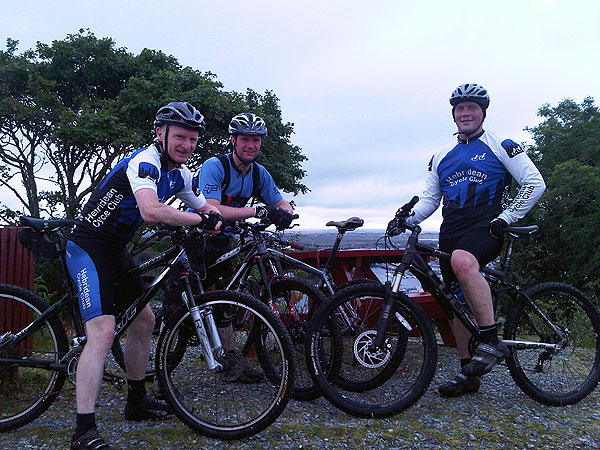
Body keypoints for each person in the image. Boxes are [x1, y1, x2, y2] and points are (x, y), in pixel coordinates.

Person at [66, 102, 222, 450]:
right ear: (160, 133)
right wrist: (201, 221)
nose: (187, 145)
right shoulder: (145, 162)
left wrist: (230, 219)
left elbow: (203, 207)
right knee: (103, 333)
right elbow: (151, 211)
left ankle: (136, 401)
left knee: (143, 320)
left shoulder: (180, 175)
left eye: (193, 139)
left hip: (117, 250)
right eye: (180, 136)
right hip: (87, 247)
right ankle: (82, 431)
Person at [393, 83, 546, 397]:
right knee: (455, 303)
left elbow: (534, 183)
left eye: (472, 107)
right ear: (453, 114)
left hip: (486, 227)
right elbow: (430, 200)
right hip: (451, 230)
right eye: (460, 108)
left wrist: (508, 217)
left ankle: (490, 340)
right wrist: (406, 220)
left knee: (463, 260)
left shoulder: (501, 144)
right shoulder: (441, 155)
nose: (465, 113)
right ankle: (468, 374)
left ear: (482, 112)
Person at [161, 112, 294, 384]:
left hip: (224, 242)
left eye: (256, 140)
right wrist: (256, 210)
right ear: (233, 140)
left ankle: (230, 361)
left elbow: (281, 203)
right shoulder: (215, 166)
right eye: (245, 139)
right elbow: (215, 208)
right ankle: (162, 373)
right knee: (177, 305)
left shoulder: (259, 173)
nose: (251, 145)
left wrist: (285, 213)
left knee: (228, 301)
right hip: (196, 238)